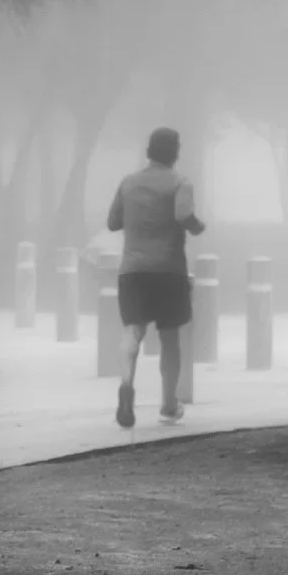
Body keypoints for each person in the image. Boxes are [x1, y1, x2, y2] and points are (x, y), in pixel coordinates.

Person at [106, 127, 207, 428]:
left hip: (133, 270)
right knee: (170, 338)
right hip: (168, 270)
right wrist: (197, 226)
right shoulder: (180, 182)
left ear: (149, 150)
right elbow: (183, 214)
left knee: (132, 332)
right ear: (175, 152)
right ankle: (168, 406)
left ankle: (126, 387)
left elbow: (113, 222)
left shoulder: (128, 182)